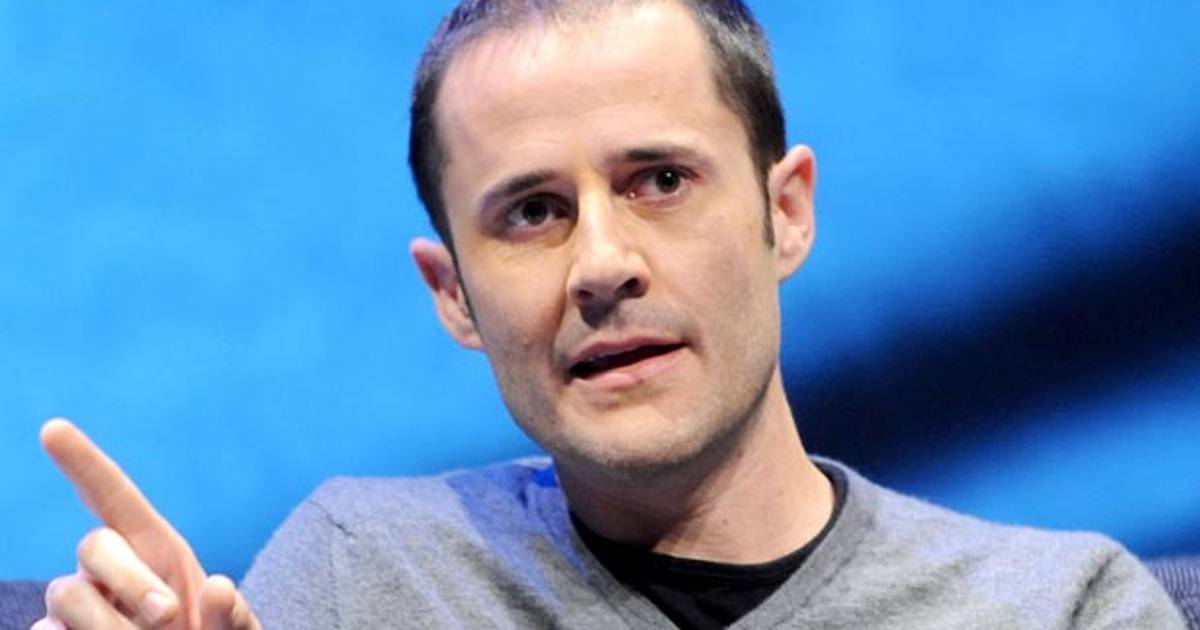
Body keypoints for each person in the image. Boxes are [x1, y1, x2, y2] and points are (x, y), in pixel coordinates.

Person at [35, 0, 1185, 628]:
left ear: (785, 213)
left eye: (660, 181)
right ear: (454, 295)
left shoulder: (1057, 608)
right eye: (532, 212)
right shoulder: (364, 578)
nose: (602, 265)